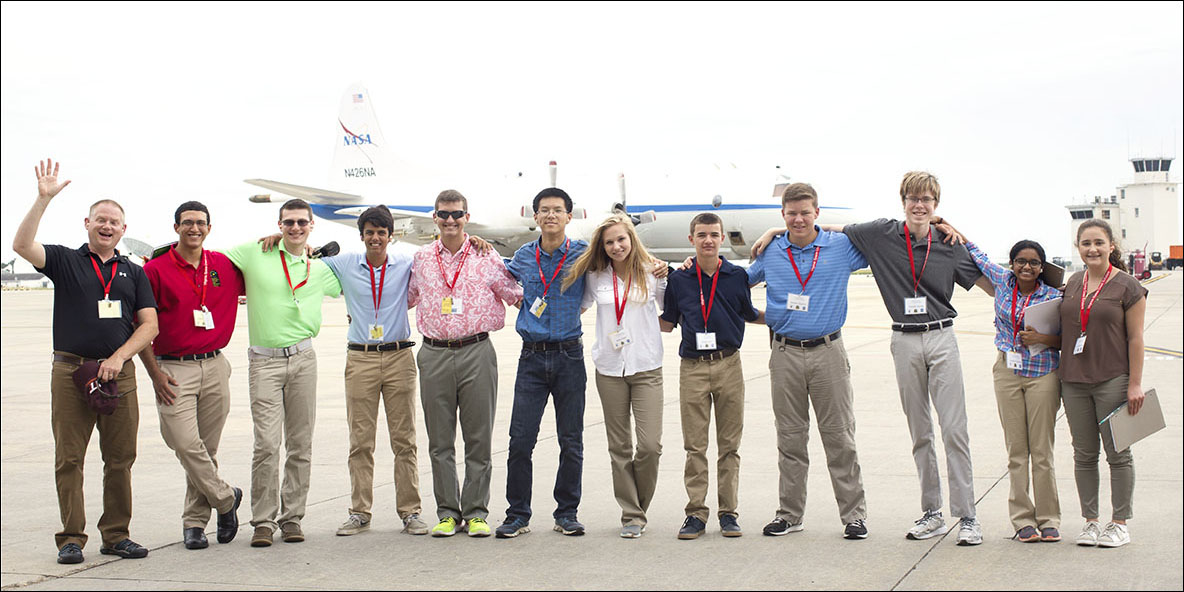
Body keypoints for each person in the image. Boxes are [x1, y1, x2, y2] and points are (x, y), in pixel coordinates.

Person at [755, 171, 984, 544]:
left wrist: (947, 225)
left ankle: (955, 516)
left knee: (941, 431)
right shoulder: (874, 235)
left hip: (907, 340)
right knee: (915, 433)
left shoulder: (937, 242)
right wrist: (773, 233)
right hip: (863, 343)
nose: (919, 205)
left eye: (926, 200)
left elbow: (987, 281)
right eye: (913, 199)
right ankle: (929, 513)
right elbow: (816, 233)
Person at [13, 159, 159, 564]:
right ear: (87, 224)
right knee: (69, 458)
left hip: (119, 375)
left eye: (114, 222)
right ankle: (71, 538)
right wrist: (43, 200)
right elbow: (22, 246)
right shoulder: (65, 260)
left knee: (120, 459)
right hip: (71, 373)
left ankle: (116, 535)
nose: (107, 226)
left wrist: (118, 357)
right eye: (101, 220)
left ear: (123, 230)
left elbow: (149, 325)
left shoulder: (134, 273)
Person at [745, 183, 871, 540]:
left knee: (839, 436)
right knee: (790, 437)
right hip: (785, 354)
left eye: (805, 213)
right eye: (791, 214)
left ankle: (854, 516)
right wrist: (762, 317)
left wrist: (782, 229)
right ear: (783, 214)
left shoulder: (841, 247)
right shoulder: (771, 251)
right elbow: (735, 286)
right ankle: (789, 514)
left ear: (817, 212)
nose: (798, 220)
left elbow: (881, 239)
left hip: (828, 352)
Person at [225, 199, 342, 547]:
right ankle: (263, 521)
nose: (295, 228)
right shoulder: (255, 253)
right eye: (288, 222)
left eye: (301, 222)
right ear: (279, 225)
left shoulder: (319, 268)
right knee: (266, 444)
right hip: (265, 361)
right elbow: (210, 261)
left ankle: (292, 518)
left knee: (300, 443)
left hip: (303, 359)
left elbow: (350, 281)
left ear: (311, 226)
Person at [408, 190, 523, 538]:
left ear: (467, 218)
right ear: (435, 218)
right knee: (439, 441)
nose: (450, 220)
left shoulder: (486, 256)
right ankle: (447, 512)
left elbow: (516, 294)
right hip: (434, 353)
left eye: (457, 214)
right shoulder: (421, 258)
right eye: (444, 214)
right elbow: (403, 297)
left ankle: (475, 512)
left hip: (477, 351)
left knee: (479, 438)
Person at [138, 201, 244, 550]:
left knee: (205, 450)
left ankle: (195, 523)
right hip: (173, 368)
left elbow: (263, 269)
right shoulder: (155, 270)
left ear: (209, 228)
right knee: (184, 444)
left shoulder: (223, 265)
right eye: (187, 223)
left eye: (200, 223)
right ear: (176, 228)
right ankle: (226, 499)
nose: (194, 228)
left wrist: (277, 240)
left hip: (215, 365)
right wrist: (155, 373)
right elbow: (140, 327)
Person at [320, 206, 429, 537]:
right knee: (361, 441)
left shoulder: (406, 263)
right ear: (361, 236)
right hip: (361, 358)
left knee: (404, 440)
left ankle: (410, 511)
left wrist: (478, 242)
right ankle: (359, 511)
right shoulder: (345, 263)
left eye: (381, 232)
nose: (375, 238)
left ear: (390, 236)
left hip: (399, 357)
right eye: (370, 232)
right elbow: (305, 262)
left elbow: (441, 255)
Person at [660, 213, 762, 539]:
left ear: (721, 238)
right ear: (691, 239)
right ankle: (695, 514)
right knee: (695, 446)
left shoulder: (736, 276)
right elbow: (667, 321)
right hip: (692, 367)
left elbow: (749, 313)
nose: (708, 240)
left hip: (729, 364)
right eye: (701, 235)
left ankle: (728, 513)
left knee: (729, 445)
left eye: (713, 235)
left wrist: (787, 317)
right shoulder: (680, 279)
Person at [564, 214, 667, 539]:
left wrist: (668, 273)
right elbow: (578, 306)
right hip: (609, 368)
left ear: (631, 239)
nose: (616, 246)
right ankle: (632, 515)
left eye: (621, 239)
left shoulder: (652, 271)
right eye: (609, 242)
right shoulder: (595, 276)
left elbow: (668, 311)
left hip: (646, 366)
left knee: (649, 446)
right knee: (619, 446)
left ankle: (639, 505)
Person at [497, 188, 590, 538]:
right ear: (535, 216)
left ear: (569, 216)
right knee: (520, 440)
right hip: (532, 358)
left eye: (558, 210)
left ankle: (566, 513)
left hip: (569, 356)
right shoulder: (523, 256)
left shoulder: (582, 254)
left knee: (571, 440)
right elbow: (496, 276)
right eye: (545, 210)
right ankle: (517, 514)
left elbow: (620, 255)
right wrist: (477, 245)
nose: (551, 215)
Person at [963, 237, 1063, 543]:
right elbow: (976, 253)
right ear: (1012, 263)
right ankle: (1022, 520)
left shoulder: (1054, 297)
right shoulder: (1002, 283)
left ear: (1042, 267)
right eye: (1021, 261)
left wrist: (1042, 339)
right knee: (1017, 451)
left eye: (1034, 262)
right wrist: (946, 226)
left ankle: (1048, 518)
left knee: (1042, 451)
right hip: (1007, 372)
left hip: (1042, 374)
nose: (1027, 267)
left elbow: (1067, 339)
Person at [1059, 219, 1146, 548]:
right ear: (1078, 248)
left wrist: (1134, 384)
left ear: (1111, 246)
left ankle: (1119, 523)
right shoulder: (1073, 282)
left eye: (1098, 242)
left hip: (1112, 379)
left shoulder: (1128, 286)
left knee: (1118, 454)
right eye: (1086, 243)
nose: (1092, 249)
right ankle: (1091, 522)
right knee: (1083, 454)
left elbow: (1136, 339)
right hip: (1073, 381)